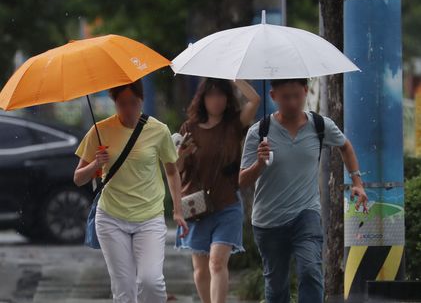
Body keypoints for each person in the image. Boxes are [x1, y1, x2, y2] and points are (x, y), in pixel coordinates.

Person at [239, 78, 368, 303]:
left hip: (306, 213)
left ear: (306, 91)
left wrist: (357, 182)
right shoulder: (259, 132)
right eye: (285, 97)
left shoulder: (320, 125)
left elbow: (345, 146)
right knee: (277, 287)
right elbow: (241, 181)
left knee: (310, 271)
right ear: (273, 96)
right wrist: (259, 163)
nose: (292, 102)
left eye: (297, 95)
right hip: (268, 220)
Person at [73, 80, 189, 303]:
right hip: (111, 219)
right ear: (114, 103)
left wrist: (177, 210)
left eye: (133, 103)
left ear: (142, 101)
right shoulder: (100, 131)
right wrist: (96, 164)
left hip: (149, 217)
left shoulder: (158, 130)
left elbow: (172, 172)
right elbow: (78, 179)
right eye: (122, 104)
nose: (128, 110)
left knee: (151, 282)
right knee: (124, 289)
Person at [175, 78, 260, 303]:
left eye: (221, 94)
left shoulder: (234, 124)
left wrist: (235, 77)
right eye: (211, 95)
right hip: (196, 205)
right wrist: (182, 154)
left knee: (217, 262)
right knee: (201, 270)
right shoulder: (189, 128)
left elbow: (254, 100)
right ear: (202, 99)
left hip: (227, 204)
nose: (216, 100)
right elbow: (178, 169)